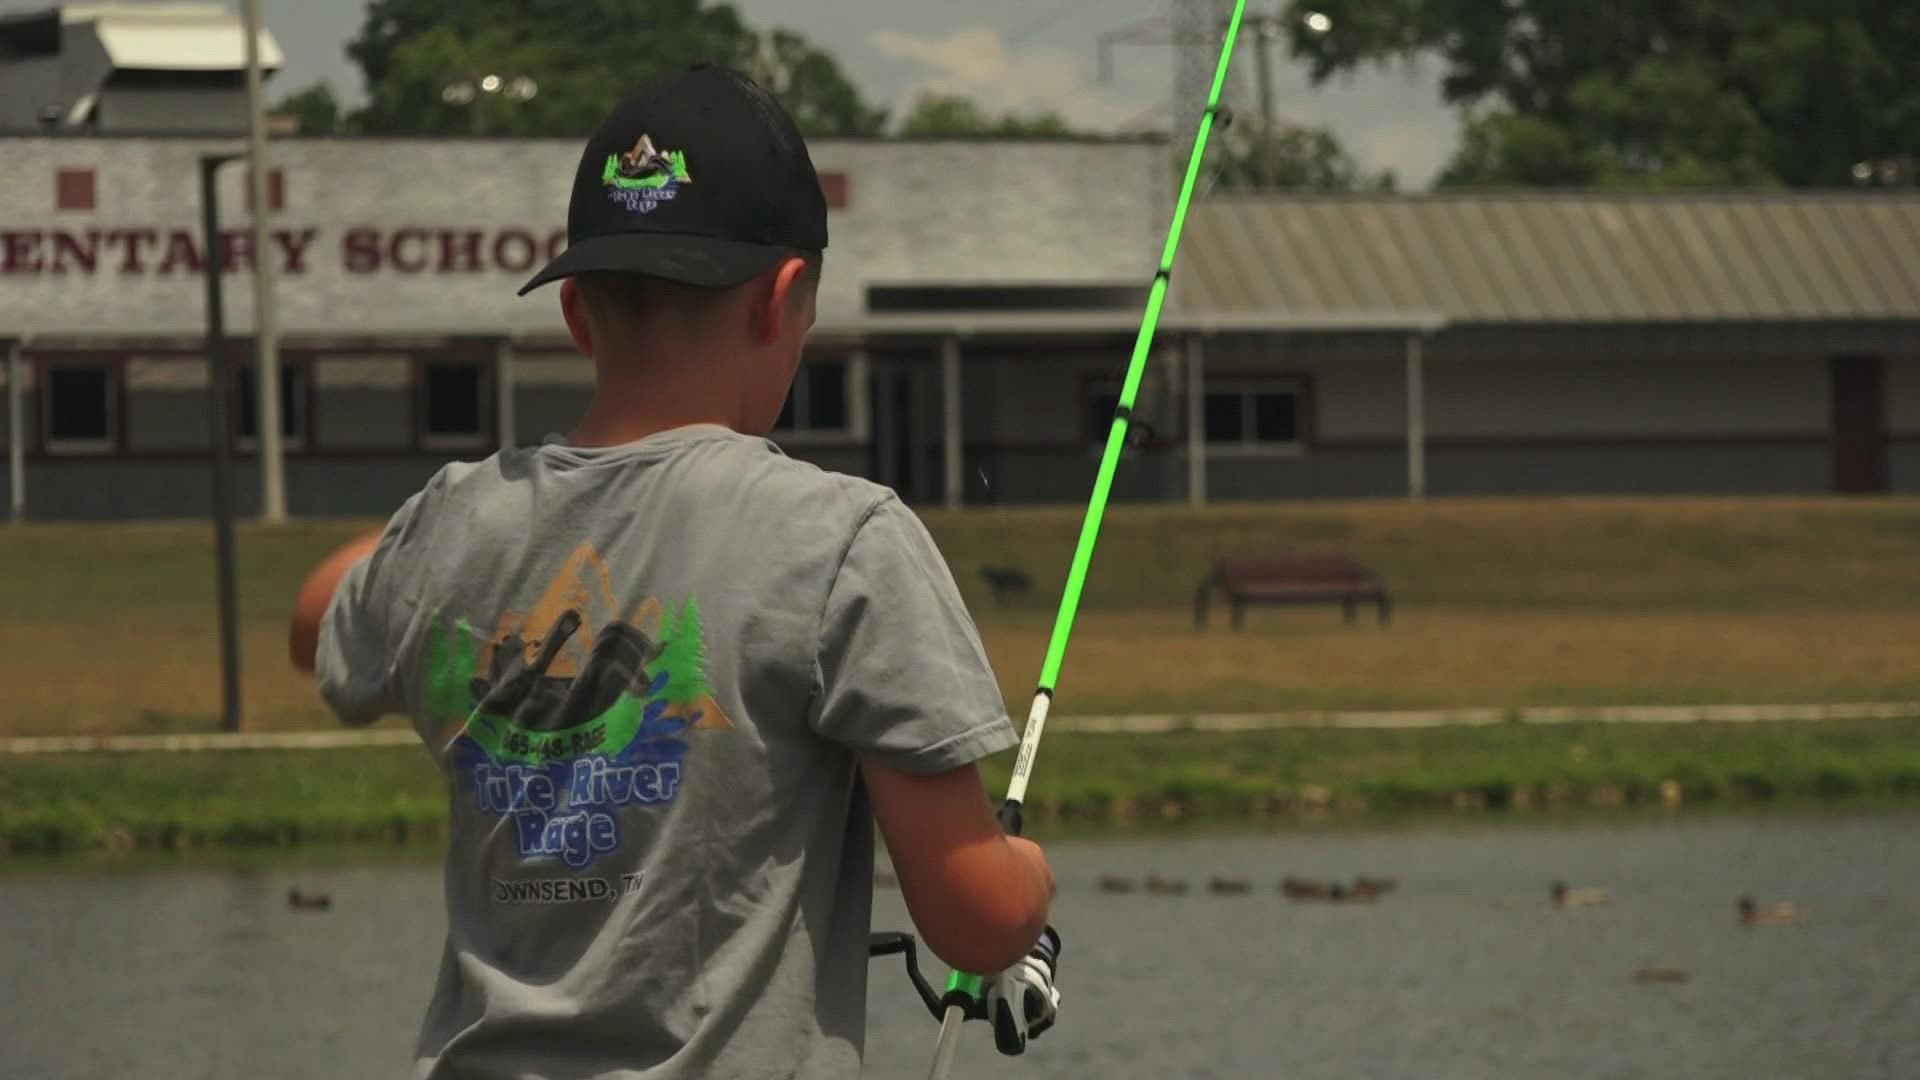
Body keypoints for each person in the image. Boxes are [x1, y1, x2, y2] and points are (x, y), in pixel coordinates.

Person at [287, 63, 1058, 1078]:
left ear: (576, 318)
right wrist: (1030, 891)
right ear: (783, 299)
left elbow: (315, 620)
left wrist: (463, 527)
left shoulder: (456, 524)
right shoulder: (845, 540)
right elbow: (973, 916)